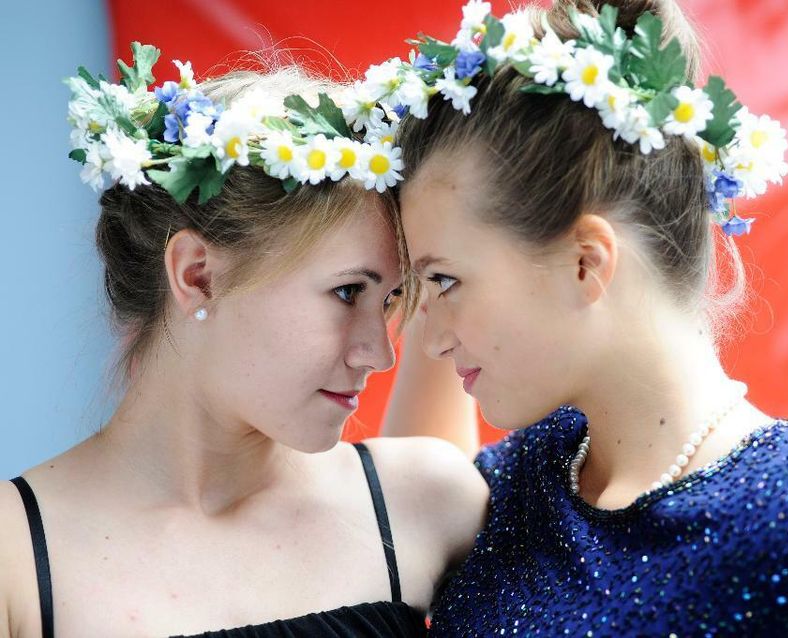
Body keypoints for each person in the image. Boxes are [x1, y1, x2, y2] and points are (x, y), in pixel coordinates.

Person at [374, 0, 788, 634]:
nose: (427, 340)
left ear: (585, 263)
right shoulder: (522, 487)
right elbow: (407, 508)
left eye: (446, 281)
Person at [0, 46, 486, 637]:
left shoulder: (432, 502)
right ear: (197, 275)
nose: (378, 354)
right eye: (346, 291)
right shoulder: (15, 557)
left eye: (388, 301)